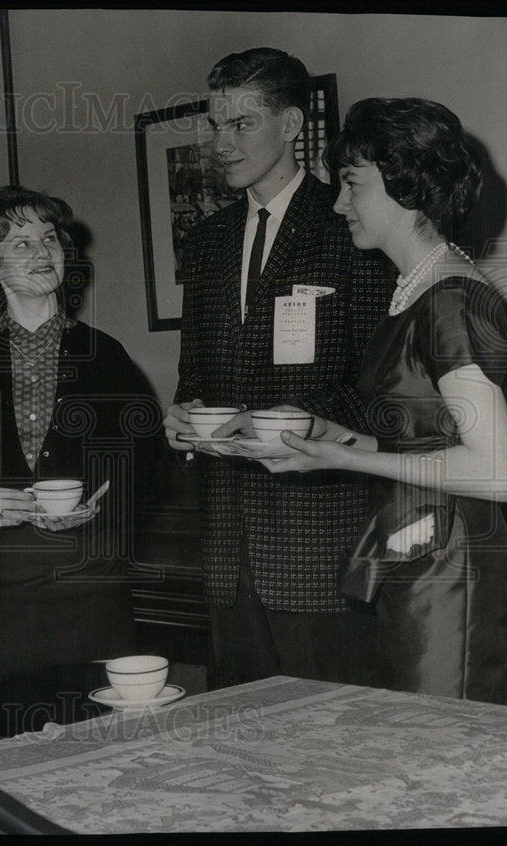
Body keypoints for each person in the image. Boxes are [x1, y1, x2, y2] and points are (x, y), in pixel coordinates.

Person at [258, 98, 507, 705]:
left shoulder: (449, 299)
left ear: (410, 186)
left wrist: (347, 461)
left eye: (352, 184)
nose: (339, 202)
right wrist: (334, 438)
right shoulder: (424, 286)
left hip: (452, 565)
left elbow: (498, 471)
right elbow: (436, 438)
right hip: (425, 546)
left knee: (437, 744)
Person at [162, 48, 395, 689]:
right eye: (217, 125)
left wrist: (293, 420)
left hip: (322, 546)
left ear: (291, 125)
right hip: (228, 554)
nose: (223, 143)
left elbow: (383, 394)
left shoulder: (349, 226)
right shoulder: (207, 244)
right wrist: (182, 419)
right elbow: (195, 377)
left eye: (242, 124)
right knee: (244, 758)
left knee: (332, 753)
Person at [0, 185, 163, 739]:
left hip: (92, 596)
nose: (41, 251)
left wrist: (101, 506)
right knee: (8, 760)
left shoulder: (107, 356)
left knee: (106, 756)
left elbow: (148, 468)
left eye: (49, 237)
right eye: (19, 242)